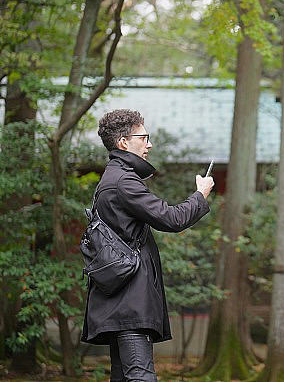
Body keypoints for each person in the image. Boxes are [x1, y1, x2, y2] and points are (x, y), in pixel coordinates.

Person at [81, 109, 214, 381]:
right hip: (129, 302)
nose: (149, 144)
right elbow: (172, 218)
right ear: (123, 143)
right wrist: (200, 195)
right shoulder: (123, 182)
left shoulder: (112, 178)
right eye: (144, 137)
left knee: (124, 377)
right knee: (141, 377)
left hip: (118, 298)